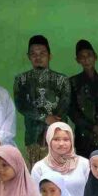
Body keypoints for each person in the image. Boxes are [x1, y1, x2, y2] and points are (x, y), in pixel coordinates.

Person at [14, 35, 71, 167]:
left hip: (58, 137)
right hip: (33, 139)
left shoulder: (62, 80)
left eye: (42, 53)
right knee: (35, 178)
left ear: (50, 56)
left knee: (59, 178)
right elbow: (22, 106)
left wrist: (52, 126)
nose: (38, 57)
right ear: (28, 56)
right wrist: (45, 118)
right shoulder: (21, 80)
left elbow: (65, 105)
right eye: (33, 54)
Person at [69, 39, 98, 158]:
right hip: (84, 137)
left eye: (89, 55)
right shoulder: (73, 83)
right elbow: (72, 112)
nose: (86, 59)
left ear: (95, 57)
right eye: (82, 57)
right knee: (85, 172)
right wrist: (93, 127)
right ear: (77, 60)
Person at [31, 122, 90, 196]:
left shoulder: (84, 164)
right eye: (56, 139)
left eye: (66, 139)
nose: (61, 143)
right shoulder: (39, 168)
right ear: (49, 140)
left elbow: (92, 195)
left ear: (72, 141)